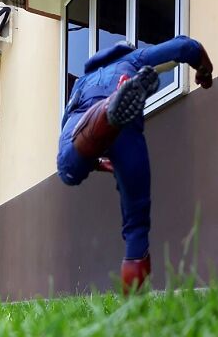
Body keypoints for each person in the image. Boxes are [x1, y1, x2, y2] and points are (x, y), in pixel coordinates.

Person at [57, 35, 213, 294]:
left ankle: (107, 113)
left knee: (68, 168)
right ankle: (134, 304)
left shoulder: (81, 83)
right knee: (137, 221)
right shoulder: (133, 58)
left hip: (82, 118)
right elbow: (186, 47)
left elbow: (66, 128)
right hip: (128, 127)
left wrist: (93, 160)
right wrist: (204, 71)